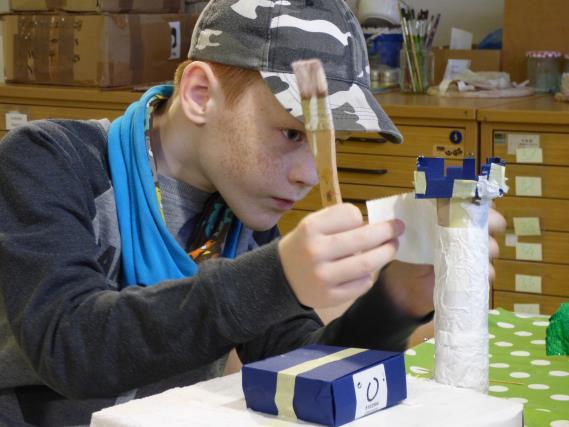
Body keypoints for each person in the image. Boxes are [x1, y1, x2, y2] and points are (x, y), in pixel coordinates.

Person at [0, 0, 505, 425]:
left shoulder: (239, 209)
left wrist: (392, 303)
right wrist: (277, 277)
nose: (310, 174)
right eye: (292, 133)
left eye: (329, 143)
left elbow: (299, 364)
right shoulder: (47, 161)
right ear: (200, 95)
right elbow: (70, 346)